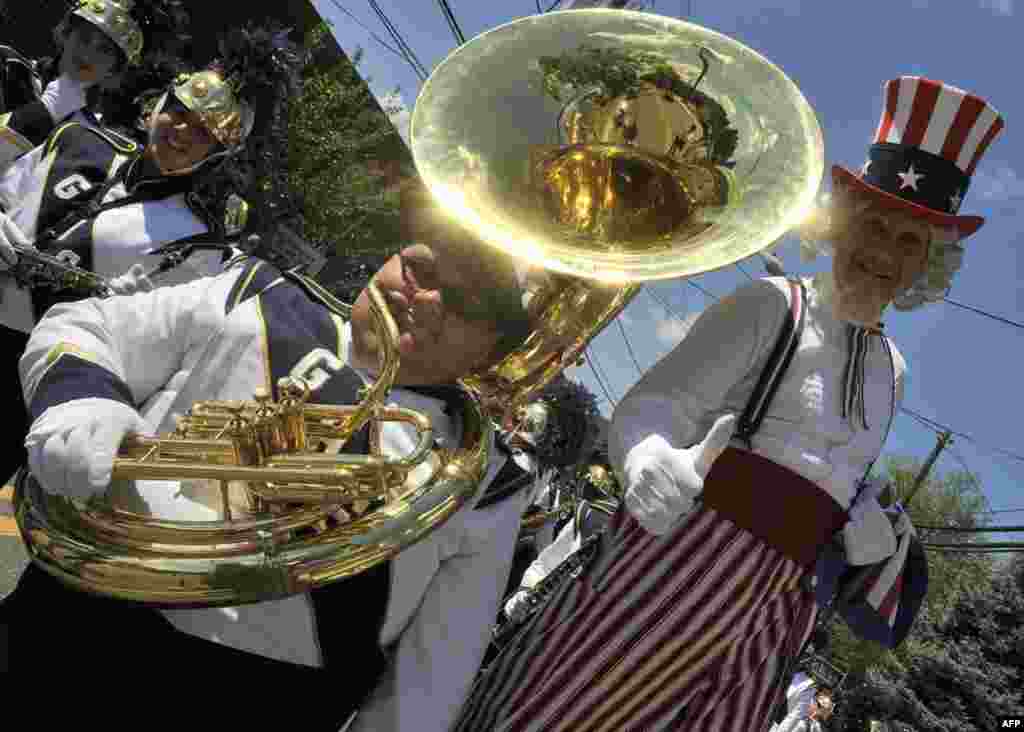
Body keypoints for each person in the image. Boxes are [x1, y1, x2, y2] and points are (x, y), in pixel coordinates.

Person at [454, 76, 1002, 732]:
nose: (884, 251)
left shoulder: (895, 372)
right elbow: (654, 403)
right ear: (839, 220)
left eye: (909, 241)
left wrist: (861, 533)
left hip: (778, 617)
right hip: (669, 574)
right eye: (873, 224)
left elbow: (829, 474)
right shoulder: (774, 306)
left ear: (928, 266)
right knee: (555, 715)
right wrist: (650, 454)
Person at [1, 185, 539, 730]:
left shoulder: (488, 477)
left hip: (254, 701)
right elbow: (89, 328)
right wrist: (83, 403)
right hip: (72, 617)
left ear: (492, 350)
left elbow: (429, 679)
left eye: (463, 303)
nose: (422, 297)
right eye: (420, 267)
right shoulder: (257, 291)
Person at [0, 24, 297, 486]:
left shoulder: (201, 244)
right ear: (157, 104)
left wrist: (119, 308)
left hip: (31, 368)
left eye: (203, 133)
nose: (181, 132)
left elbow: (146, 341)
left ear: (219, 154)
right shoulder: (78, 135)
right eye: (179, 112)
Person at [1, 0, 188, 158]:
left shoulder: (98, 138)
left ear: (115, 68)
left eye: (105, 50)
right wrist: (49, 107)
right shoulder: (8, 65)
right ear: (66, 34)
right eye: (84, 38)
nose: (89, 53)